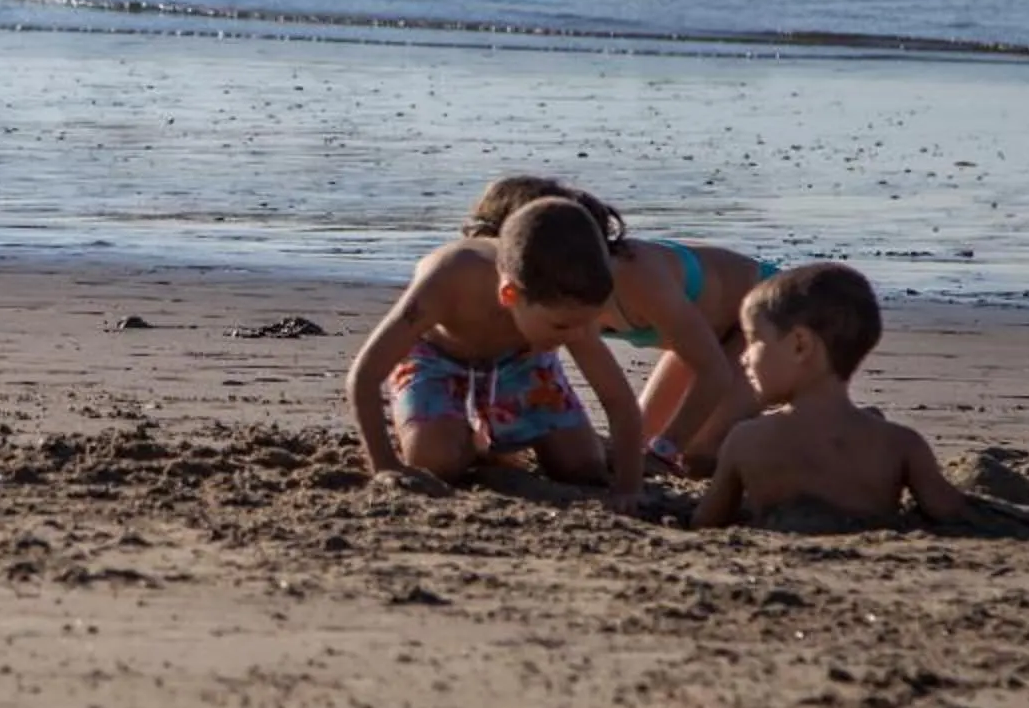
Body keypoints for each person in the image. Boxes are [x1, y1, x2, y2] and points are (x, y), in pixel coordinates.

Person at [346, 196, 645, 510]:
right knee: (435, 463)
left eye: (584, 326)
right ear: (509, 294)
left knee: (582, 466)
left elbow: (619, 401)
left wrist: (628, 488)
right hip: (437, 361)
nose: (574, 337)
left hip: (520, 361)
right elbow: (365, 375)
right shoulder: (450, 277)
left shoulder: (571, 309)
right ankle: (474, 441)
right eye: (561, 328)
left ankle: (500, 434)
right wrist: (384, 465)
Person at [464, 177, 768, 476]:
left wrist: (665, 451)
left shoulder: (636, 276)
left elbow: (713, 371)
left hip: (768, 321)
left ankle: (792, 429)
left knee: (696, 453)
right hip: (699, 341)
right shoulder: (550, 291)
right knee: (638, 443)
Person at [695, 264, 969, 529]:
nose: (743, 358)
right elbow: (951, 512)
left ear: (799, 345)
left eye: (754, 340)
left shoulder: (747, 439)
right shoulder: (899, 443)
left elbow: (707, 520)